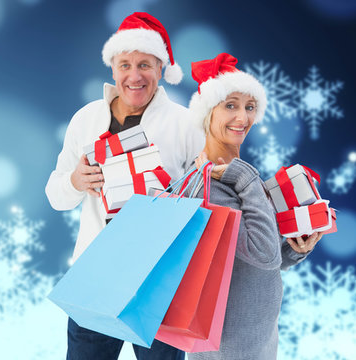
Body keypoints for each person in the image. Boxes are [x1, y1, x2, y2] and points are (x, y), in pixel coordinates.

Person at [45, 12, 204, 360]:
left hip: (160, 280)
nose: (135, 76)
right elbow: (56, 196)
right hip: (94, 274)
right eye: (125, 64)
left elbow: (209, 197)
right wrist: (74, 181)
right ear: (113, 68)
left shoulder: (187, 124)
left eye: (145, 64)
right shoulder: (85, 119)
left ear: (161, 68)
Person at [185, 53, 323, 360]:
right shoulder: (211, 185)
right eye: (230, 105)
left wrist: (295, 250)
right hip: (230, 348)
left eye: (249, 107)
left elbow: (262, 260)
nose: (243, 118)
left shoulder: (233, 174)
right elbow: (263, 254)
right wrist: (248, 177)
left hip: (258, 340)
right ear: (208, 112)